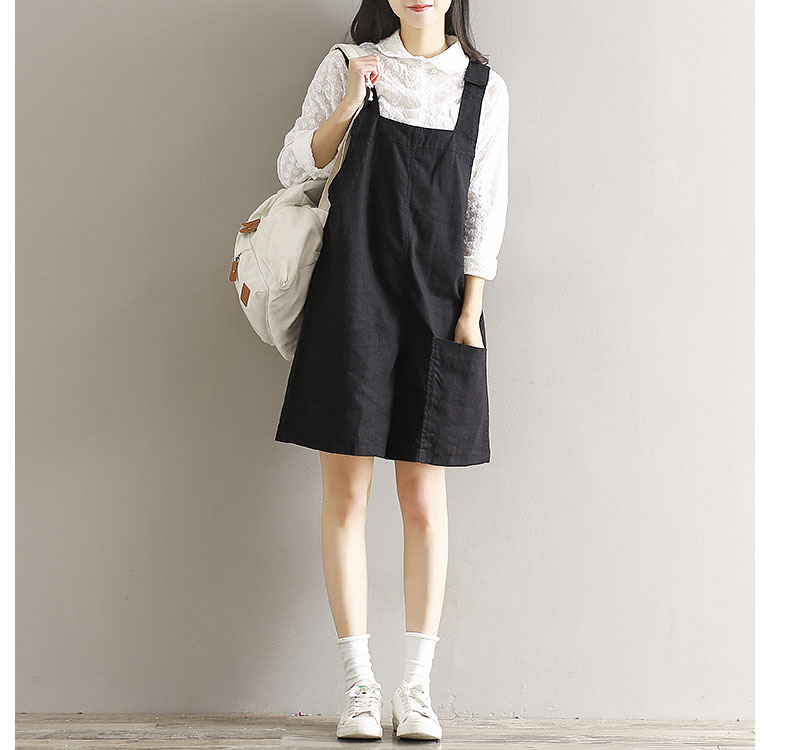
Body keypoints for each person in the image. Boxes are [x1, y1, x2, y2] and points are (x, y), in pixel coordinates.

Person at [274, 0, 509, 741]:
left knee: (424, 500)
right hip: (352, 297)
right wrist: (349, 105)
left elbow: (484, 209)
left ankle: (416, 689)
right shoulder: (349, 64)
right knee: (345, 496)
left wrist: (469, 314)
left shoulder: (482, 87)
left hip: (439, 307)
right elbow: (292, 166)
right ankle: (359, 686)